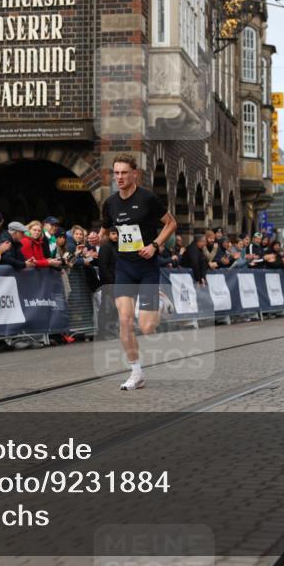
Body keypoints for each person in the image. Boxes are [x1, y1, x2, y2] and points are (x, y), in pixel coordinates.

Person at [99, 153, 178, 391]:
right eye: (116, 173)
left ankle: (161, 303)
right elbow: (104, 231)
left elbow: (171, 223)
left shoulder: (148, 199)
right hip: (124, 267)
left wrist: (154, 245)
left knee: (146, 328)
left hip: (147, 268)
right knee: (124, 321)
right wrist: (96, 237)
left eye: (124, 172)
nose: (120, 177)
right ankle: (136, 373)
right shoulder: (110, 203)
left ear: (135, 174)